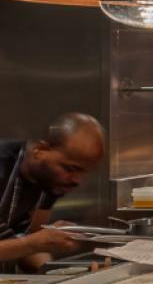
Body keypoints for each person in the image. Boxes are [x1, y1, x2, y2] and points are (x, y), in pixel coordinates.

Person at [0, 113, 104, 272]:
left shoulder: (50, 181)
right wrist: (34, 243)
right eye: (71, 168)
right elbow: (30, 243)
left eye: (84, 172)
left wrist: (56, 272)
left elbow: (29, 242)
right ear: (40, 150)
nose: (77, 180)